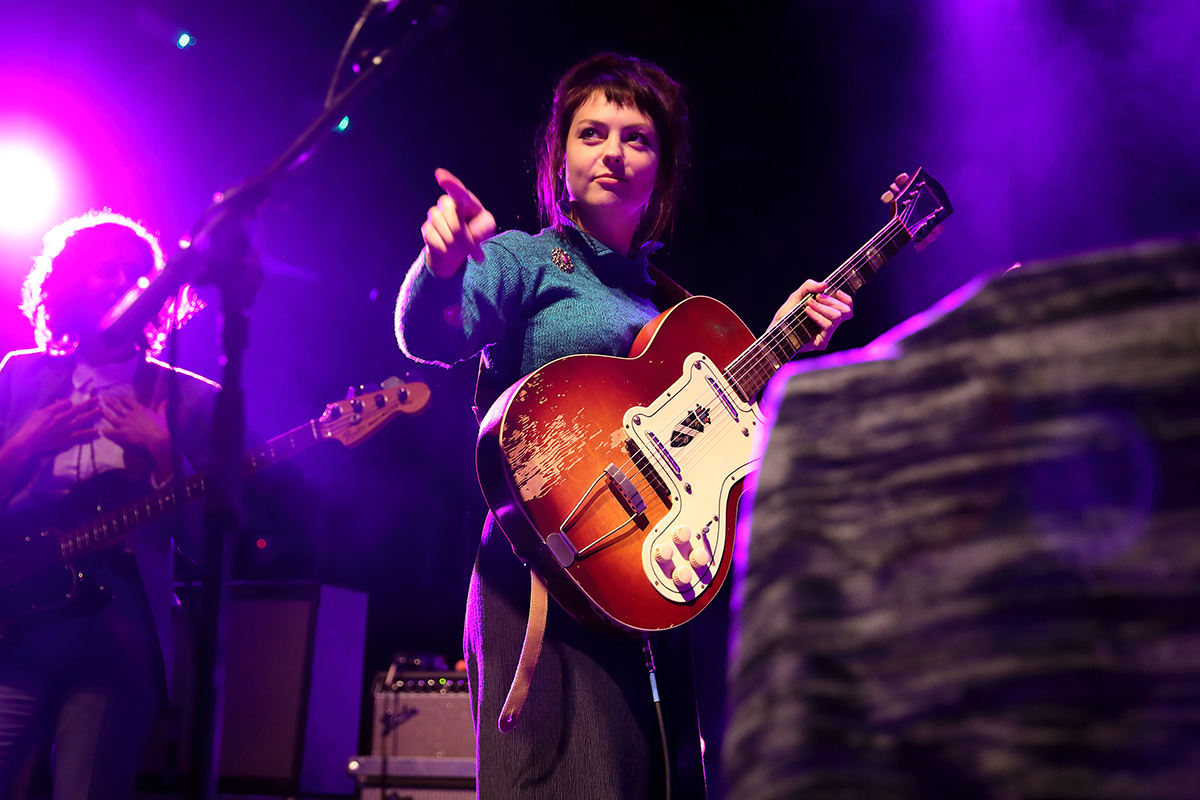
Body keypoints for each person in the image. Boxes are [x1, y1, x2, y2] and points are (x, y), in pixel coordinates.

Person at [395, 53, 857, 798]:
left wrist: (772, 343)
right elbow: (432, 333)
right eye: (591, 133)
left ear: (663, 167)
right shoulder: (525, 258)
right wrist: (442, 264)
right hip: (545, 570)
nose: (612, 152)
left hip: (651, 581)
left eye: (636, 138)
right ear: (561, 154)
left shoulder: (668, 303)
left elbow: (710, 446)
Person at [0, 211, 216, 799]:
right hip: (13, 616)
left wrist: (167, 454)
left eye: (136, 274)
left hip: (119, 624)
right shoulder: (18, 379)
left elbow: (208, 545)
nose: (125, 283)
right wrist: (21, 447)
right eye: (106, 272)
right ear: (68, 285)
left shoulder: (192, 399)